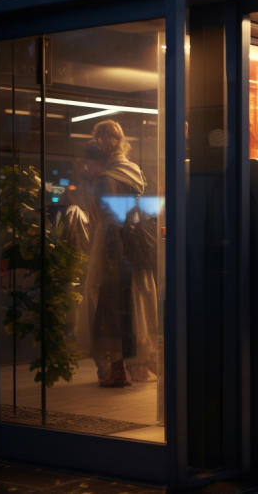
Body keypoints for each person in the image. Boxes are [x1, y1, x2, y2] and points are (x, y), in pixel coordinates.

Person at [81, 119, 158, 387]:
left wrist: (110, 257)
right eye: (101, 137)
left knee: (110, 308)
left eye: (110, 137)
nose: (105, 142)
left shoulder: (107, 178)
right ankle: (137, 366)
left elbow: (110, 219)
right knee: (135, 305)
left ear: (119, 140)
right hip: (136, 248)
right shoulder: (134, 171)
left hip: (114, 248)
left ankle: (117, 370)